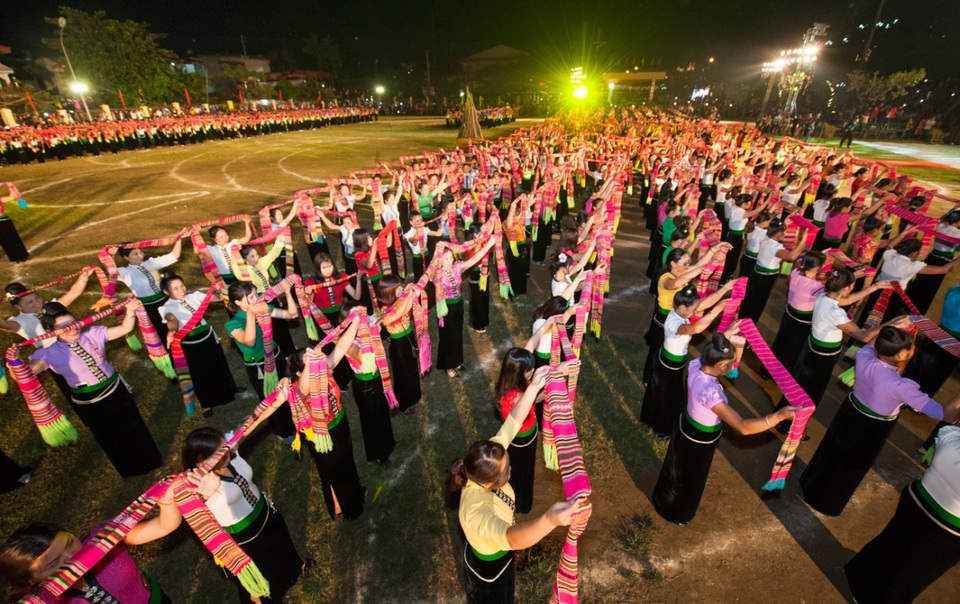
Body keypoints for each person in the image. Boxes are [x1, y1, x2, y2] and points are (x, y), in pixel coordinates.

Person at [446, 362, 578, 604]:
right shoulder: (476, 511)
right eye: (506, 471)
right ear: (489, 483)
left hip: (500, 554)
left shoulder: (487, 461)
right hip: (489, 568)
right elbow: (511, 538)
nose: (511, 469)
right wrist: (550, 520)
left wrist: (535, 385)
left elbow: (513, 422)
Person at [800, 326, 960, 516]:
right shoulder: (900, 386)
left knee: (831, 451)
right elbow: (946, 414)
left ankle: (811, 485)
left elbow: (870, 344)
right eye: (912, 347)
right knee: (851, 466)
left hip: (849, 411)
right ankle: (828, 503)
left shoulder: (864, 356)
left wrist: (891, 327)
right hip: (872, 427)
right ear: (901, 354)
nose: (914, 350)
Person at [181, 387, 315, 604]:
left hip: (265, 510)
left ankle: (296, 566)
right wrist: (199, 492)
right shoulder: (198, 485)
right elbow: (178, 504)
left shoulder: (226, 449)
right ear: (200, 461)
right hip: (245, 536)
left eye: (225, 447)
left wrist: (277, 400)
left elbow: (253, 421)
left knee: (282, 543)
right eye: (218, 453)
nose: (227, 452)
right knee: (261, 573)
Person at [651, 333, 797, 524]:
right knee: (688, 478)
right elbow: (742, 427)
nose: (733, 366)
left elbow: (714, 351)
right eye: (731, 363)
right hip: (698, 440)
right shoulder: (710, 392)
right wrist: (778, 416)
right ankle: (676, 512)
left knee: (675, 468)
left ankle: (664, 501)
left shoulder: (696, 365)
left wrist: (728, 334)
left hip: (685, 426)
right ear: (720, 365)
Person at [29, 300, 163, 477]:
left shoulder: (93, 334)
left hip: (116, 390)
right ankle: (130, 468)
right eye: (64, 326)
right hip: (90, 402)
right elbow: (28, 372)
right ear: (50, 332)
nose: (72, 328)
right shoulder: (48, 353)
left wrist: (130, 311)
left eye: (73, 322)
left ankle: (151, 459)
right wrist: (15, 365)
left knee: (133, 424)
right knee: (110, 435)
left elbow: (124, 329)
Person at [0, 487, 182, 603]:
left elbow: (164, 525)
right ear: (31, 580)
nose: (71, 557)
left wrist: (167, 503)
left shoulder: (103, 540)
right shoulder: (42, 601)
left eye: (70, 542)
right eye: (53, 562)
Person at [844, 424, 960, 603]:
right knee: (912, 572)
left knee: (892, 541)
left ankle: (860, 579)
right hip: (948, 530)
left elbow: (946, 428)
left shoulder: (953, 440)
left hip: (916, 499)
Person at [288, 328, 366, 520]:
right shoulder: (299, 390)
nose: (317, 365)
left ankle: (353, 494)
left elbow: (340, 347)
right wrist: (310, 364)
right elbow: (305, 386)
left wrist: (356, 320)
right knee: (335, 471)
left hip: (340, 425)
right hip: (322, 436)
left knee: (347, 462)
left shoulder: (326, 371)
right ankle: (346, 507)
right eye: (309, 365)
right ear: (299, 372)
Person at [641, 285, 736, 437]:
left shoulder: (681, 312)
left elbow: (703, 304)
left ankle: (652, 419)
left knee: (666, 394)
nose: (696, 311)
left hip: (675, 362)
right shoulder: (675, 323)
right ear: (683, 307)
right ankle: (662, 429)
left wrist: (724, 290)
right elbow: (696, 328)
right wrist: (718, 309)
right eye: (693, 309)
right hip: (669, 365)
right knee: (669, 398)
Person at [643, 244, 729, 385]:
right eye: (685, 263)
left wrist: (716, 248)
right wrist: (698, 270)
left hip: (676, 316)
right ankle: (648, 378)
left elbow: (701, 264)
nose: (688, 265)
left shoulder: (683, 272)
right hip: (663, 318)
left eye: (689, 263)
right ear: (673, 263)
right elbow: (676, 283)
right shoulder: (665, 277)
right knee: (656, 350)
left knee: (667, 349)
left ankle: (658, 377)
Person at [224, 280, 297, 441]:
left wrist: (287, 294)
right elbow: (249, 341)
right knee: (271, 397)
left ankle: (295, 422)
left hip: (276, 355)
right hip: (260, 366)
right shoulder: (233, 323)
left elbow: (292, 315)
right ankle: (283, 432)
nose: (257, 298)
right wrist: (251, 314)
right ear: (238, 302)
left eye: (256, 294)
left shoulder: (263, 308)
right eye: (251, 297)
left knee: (289, 389)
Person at [159, 272, 237, 416]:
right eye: (175, 288)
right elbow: (172, 320)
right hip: (190, 343)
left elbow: (214, 298)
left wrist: (221, 292)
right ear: (166, 292)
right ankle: (206, 403)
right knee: (198, 372)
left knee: (218, 364)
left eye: (182, 285)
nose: (181, 289)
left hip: (207, 336)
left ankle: (230, 390)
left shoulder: (194, 296)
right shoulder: (166, 308)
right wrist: (171, 331)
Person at [433, 238, 498, 378]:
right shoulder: (437, 274)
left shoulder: (457, 267)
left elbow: (475, 259)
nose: (449, 261)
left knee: (457, 334)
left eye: (450, 257)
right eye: (445, 259)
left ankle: (456, 361)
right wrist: (437, 250)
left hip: (458, 305)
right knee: (447, 337)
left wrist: (489, 245)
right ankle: (447, 365)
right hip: (445, 309)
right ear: (439, 260)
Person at [493, 348, 541, 515]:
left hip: (519, 438)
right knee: (523, 473)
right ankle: (522, 504)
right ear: (520, 372)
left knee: (517, 470)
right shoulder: (517, 397)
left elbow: (534, 397)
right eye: (530, 370)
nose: (533, 372)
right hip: (523, 442)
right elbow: (531, 398)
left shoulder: (510, 385)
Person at [112, 236, 184, 344]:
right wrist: (111, 256)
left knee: (179, 324)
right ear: (126, 258)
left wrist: (179, 239)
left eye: (140, 252)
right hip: (149, 307)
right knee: (162, 332)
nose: (140, 255)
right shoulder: (125, 272)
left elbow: (174, 255)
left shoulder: (150, 263)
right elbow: (111, 272)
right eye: (135, 254)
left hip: (165, 301)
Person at [738, 219, 807, 322]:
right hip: (765, 278)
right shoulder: (775, 247)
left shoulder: (766, 238)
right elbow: (791, 256)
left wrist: (785, 222)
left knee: (749, 299)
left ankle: (741, 319)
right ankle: (748, 324)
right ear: (777, 233)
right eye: (783, 231)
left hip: (756, 273)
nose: (785, 233)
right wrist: (803, 242)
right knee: (758, 303)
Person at [376, 275, 421, 414]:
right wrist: (410, 296)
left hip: (408, 338)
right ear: (388, 292)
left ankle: (414, 393)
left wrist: (410, 295)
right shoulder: (385, 310)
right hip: (398, 346)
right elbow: (399, 313)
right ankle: (403, 404)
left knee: (412, 368)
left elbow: (406, 308)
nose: (401, 289)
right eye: (398, 288)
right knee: (402, 375)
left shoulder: (399, 300)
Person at [906, 209, 960, 314]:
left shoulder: (940, 225)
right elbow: (958, 249)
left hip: (931, 257)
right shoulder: (958, 233)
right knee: (930, 287)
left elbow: (941, 219)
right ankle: (919, 310)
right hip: (943, 262)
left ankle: (909, 302)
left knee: (921, 281)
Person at [205, 217, 254, 286]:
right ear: (214, 239)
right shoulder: (211, 249)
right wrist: (195, 233)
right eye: (221, 237)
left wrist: (246, 223)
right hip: (225, 277)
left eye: (226, 235)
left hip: (239, 273)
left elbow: (247, 238)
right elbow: (197, 249)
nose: (225, 238)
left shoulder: (232, 243)